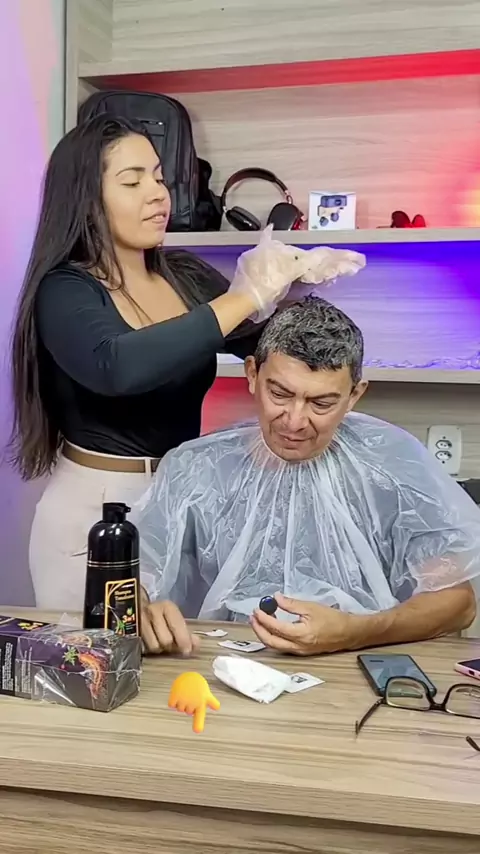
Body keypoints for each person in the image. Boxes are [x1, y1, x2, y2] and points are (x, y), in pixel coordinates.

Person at [9, 114, 365, 611]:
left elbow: (263, 346)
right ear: (86, 200)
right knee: (98, 652)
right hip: (97, 511)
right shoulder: (65, 290)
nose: (158, 194)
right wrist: (244, 297)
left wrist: (292, 287)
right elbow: (118, 367)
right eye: (132, 181)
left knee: (179, 652)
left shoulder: (184, 275)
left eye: (158, 177)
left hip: (184, 497)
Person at [134, 297, 480, 656]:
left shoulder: (393, 465)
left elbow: (457, 603)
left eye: (321, 403)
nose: (295, 421)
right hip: (220, 663)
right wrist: (140, 610)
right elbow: (136, 575)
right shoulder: (195, 467)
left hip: (357, 662)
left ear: (354, 395)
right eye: (280, 394)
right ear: (252, 375)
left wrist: (356, 632)